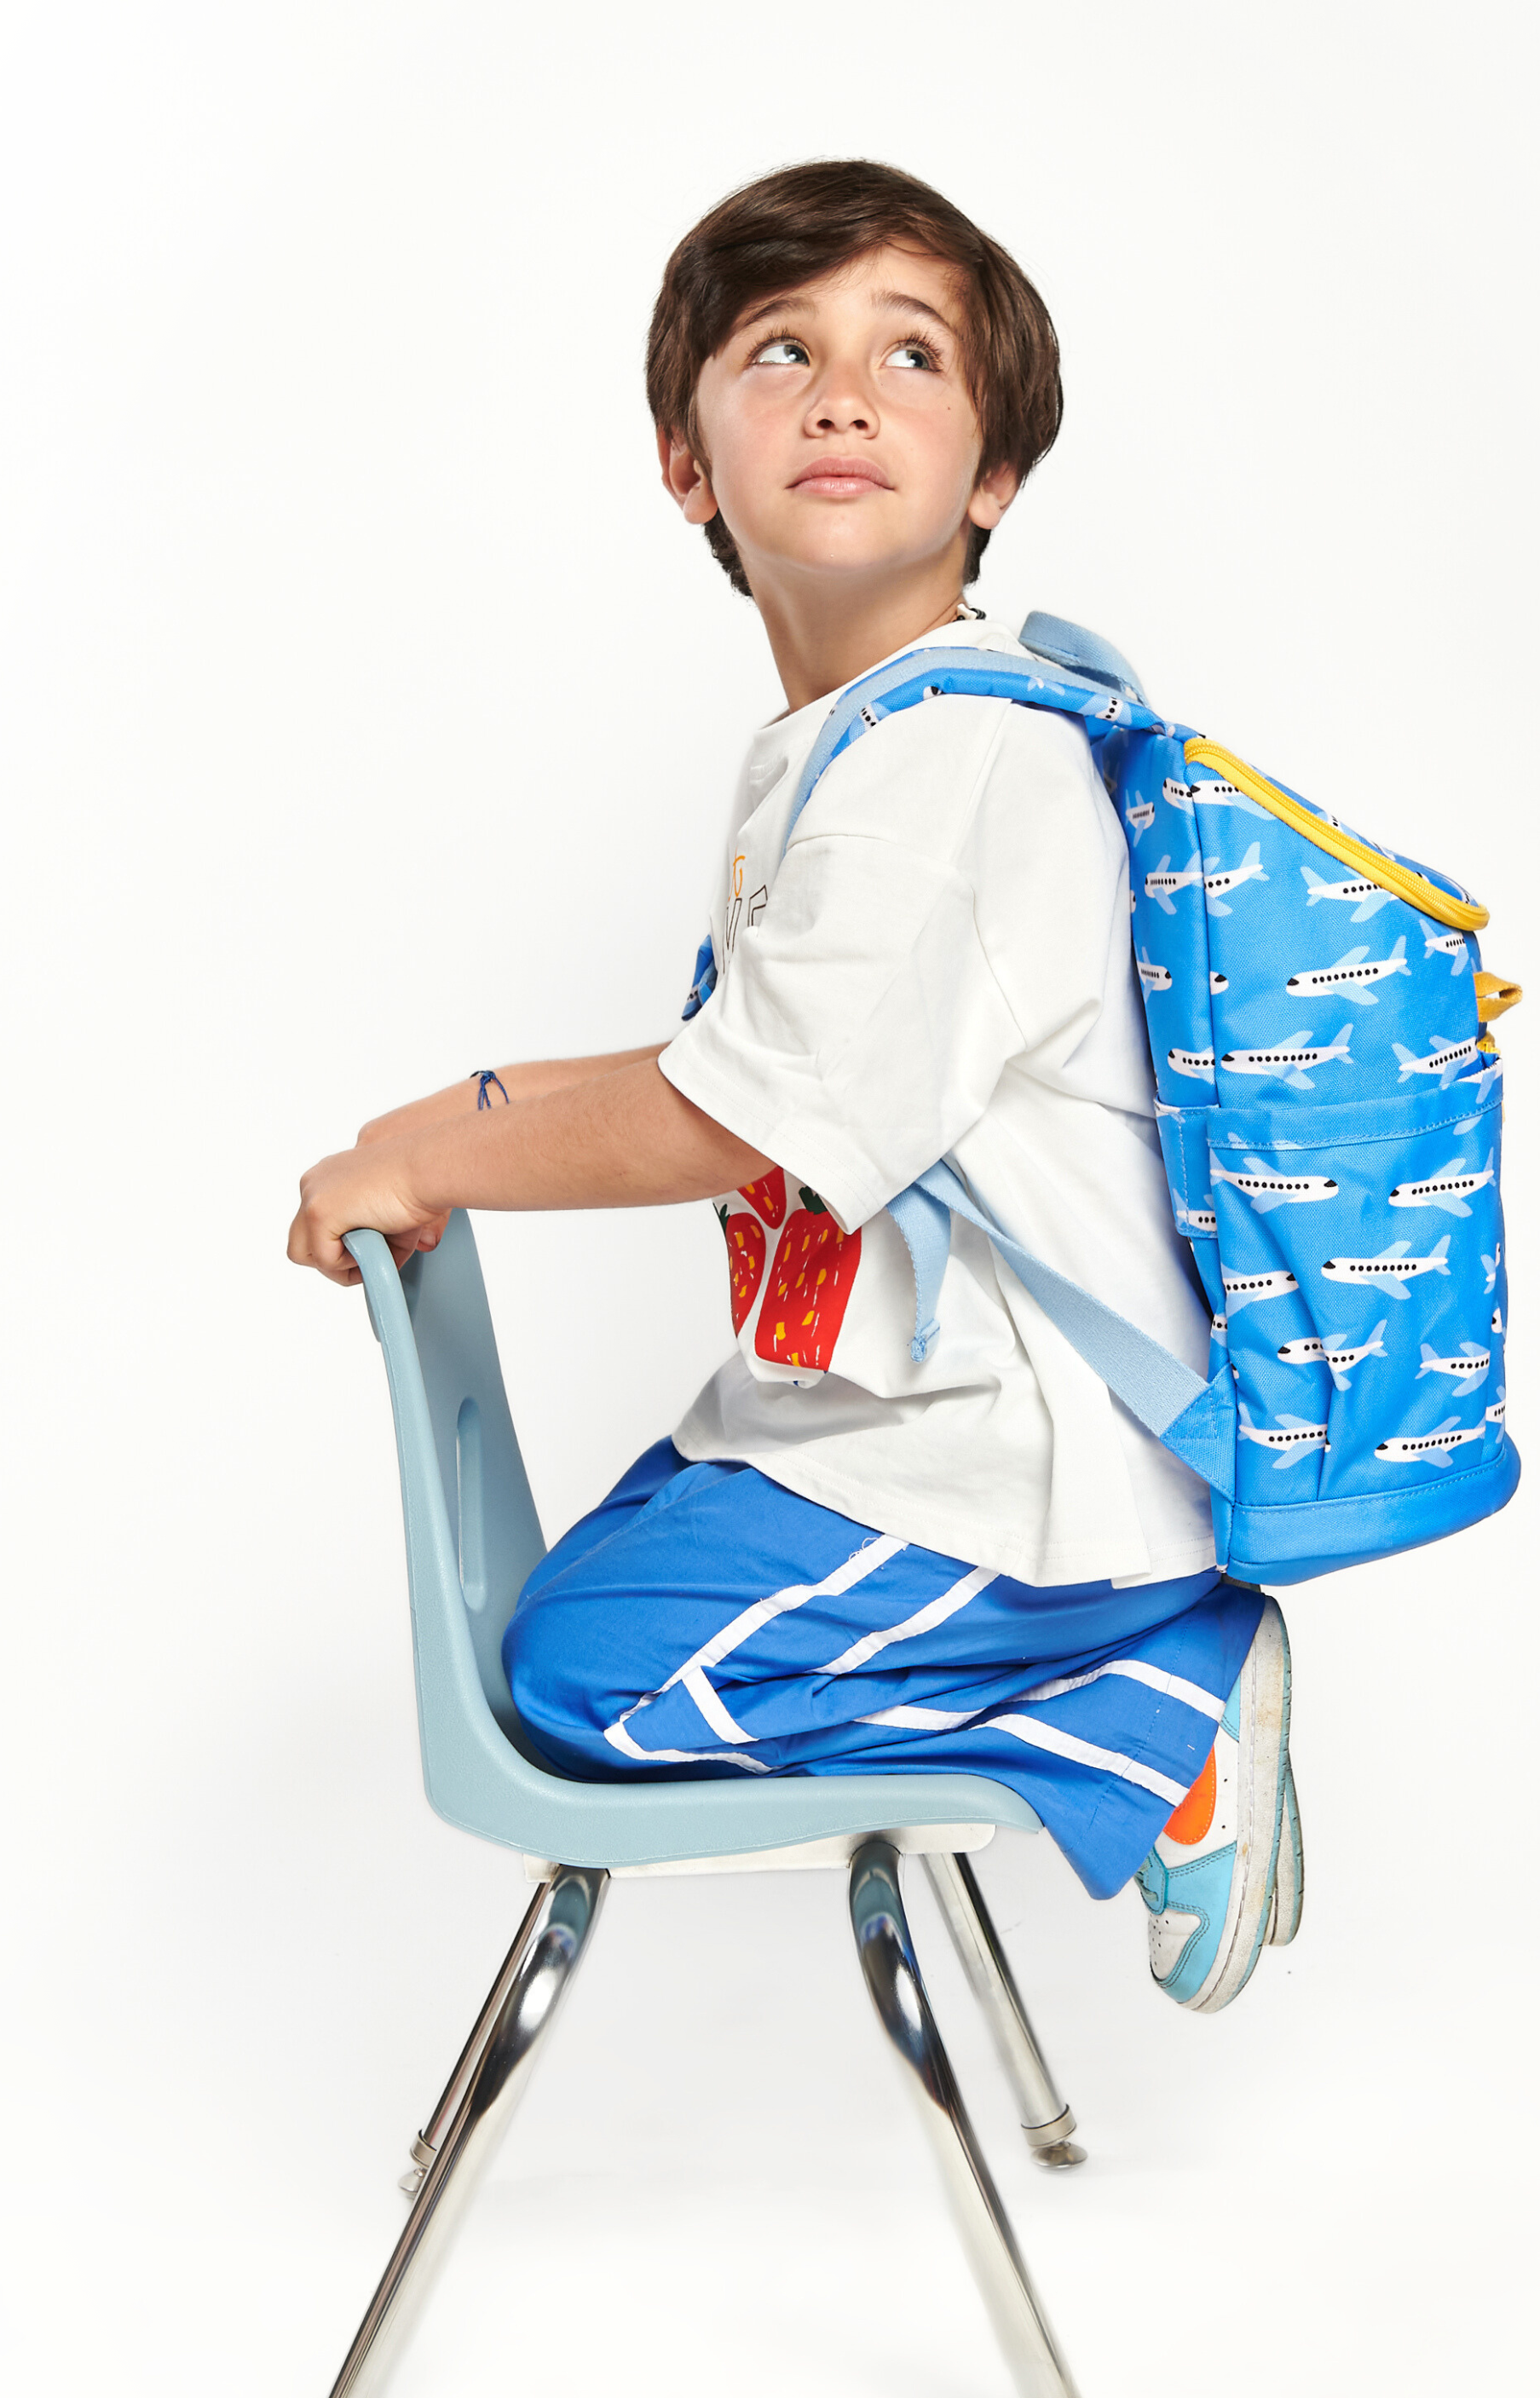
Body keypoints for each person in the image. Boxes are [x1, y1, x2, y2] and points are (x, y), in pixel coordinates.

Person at [286, 161, 1296, 2011]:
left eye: (911, 358)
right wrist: (449, 1118)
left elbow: (729, 1116)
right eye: (780, 352)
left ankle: (1159, 1697)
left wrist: (433, 1147)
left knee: (581, 1684)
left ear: (993, 474)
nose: (842, 397)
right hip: (869, 1420)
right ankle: (1109, 1669)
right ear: (689, 462)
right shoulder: (856, 739)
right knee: (590, 1593)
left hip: (1006, 1478)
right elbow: (739, 1071)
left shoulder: (953, 764)